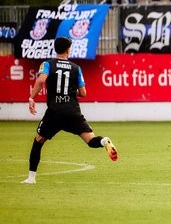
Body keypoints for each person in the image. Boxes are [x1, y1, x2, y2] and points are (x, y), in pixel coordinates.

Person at [22, 37, 118, 184]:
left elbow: (41, 81)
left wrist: (31, 98)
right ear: (68, 50)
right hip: (73, 112)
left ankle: (31, 178)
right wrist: (71, 92)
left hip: (54, 112)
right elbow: (83, 93)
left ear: (56, 49)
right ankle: (104, 141)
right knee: (91, 140)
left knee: (38, 141)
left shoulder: (47, 64)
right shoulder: (76, 68)